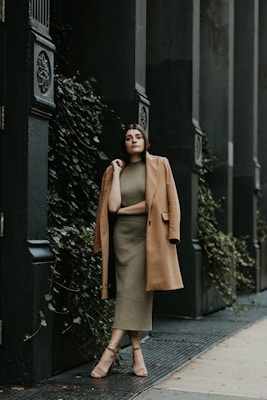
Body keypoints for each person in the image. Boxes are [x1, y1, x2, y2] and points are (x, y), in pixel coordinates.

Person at [91, 123, 184, 379]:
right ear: (125, 143)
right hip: (123, 239)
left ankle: (110, 351)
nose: (134, 140)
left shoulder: (159, 164)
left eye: (138, 136)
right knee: (130, 293)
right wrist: (117, 173)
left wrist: (173, 232)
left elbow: (162, 201)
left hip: (150, 237)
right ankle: (136, 352)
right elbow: (112, 206)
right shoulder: (116, 171)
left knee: (134, 293)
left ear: (145, 141)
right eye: (129, 137)